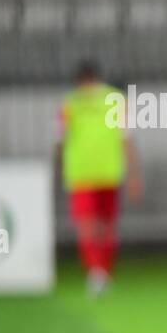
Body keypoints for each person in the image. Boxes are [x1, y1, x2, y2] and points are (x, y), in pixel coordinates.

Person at [56, 61, 142, 295]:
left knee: (90, 225)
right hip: (107, 171)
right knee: (104, 226)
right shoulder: (115, 99)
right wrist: (134, 173)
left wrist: (58, 168)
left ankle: (96, 273)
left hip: (83, 173)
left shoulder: (71, 103)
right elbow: (127, 138)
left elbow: (60, 140)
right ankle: (101, 272)